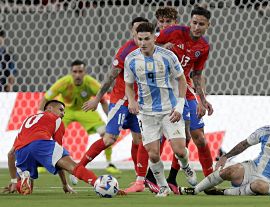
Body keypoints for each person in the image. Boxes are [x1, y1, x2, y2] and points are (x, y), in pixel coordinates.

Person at [124, 22, 197, 197]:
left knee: (180, 150)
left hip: (169, 110)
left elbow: (181, 80)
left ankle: (186, 166)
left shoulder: (168, 56)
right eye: (139, 39)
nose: (143, 43)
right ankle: (163, 186)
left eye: (146, 39)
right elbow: (128, 84)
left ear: (154, 38)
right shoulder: (131, 59)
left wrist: (179, 106)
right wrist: (132, 101)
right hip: (146, 113)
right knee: (153, 154)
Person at [81, 17, 149, 193]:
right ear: (132, 31)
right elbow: (111, 76)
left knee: (139, 139)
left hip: (139, 101)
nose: (139, 36)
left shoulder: (151, 48)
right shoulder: (126, 51)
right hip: (121, 100)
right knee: (110, 139)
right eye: (136, 31)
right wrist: (97, 99)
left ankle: (139, 179)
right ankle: (79, 168)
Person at [152, 6, 214, 192]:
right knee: (180, 135)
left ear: (207, 26)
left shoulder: (203, 46)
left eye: (201, 24)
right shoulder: (174, 32)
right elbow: (147, 49)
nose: (196, 27)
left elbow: (196, 75)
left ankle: (210, 180)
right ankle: (159, 178)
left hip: (185, 88)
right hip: (165, 89)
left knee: (199, 138)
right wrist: (163, 47)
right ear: (190, 21)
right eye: (194, 22)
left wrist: (202, 99)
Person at [180, 105, 270, 196]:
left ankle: (222, 192)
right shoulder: (266, 131)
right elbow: (244, 144)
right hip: (254, 168)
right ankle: (195, 190)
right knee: (229, 171)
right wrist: (226, 156)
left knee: (259, 186)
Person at [38, 60, 120, 177]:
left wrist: (111, 118)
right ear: (71, 73)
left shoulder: (91, 83)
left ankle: (109, 163)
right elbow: (45, 98)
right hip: (65, 110)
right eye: (75, 72)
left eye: (80, 71)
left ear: (84, 72)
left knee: (104, 132)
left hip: (85, 109)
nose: (77, 74)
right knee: (49, 133)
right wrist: (40, 115)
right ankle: (43, 163)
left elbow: (103, 101)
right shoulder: (63, 82)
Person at [10, 100, 106, 195]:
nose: (63, 113)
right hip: (41, 144)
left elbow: (10, 154)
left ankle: (23, 179)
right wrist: (65, 184)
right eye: (61, 110)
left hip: (21, 150)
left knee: (26, 188)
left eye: (64, 112)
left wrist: (14, 181)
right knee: (74, 167)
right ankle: (101, 185)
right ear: (49, 108)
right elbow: (58, 158)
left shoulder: (27, 119)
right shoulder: (56, 119)